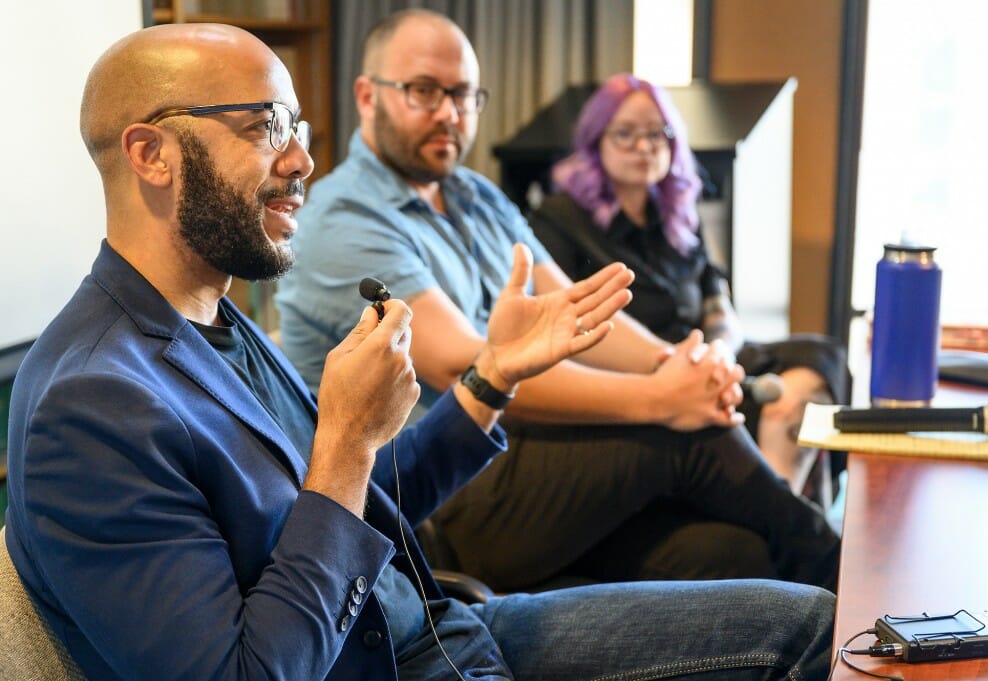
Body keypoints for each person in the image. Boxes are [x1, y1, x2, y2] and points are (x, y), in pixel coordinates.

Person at [3, 21, 837, 681]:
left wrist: (489, 379)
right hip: (400, 659)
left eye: (294, 126)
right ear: (150, 154)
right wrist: (344, 446)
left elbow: (365, 504)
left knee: (801, 617)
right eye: (265, 128)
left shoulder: (214, 317)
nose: (302, 161)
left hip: (445, 631)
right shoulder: (89, 405)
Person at [275, 8, 840, 593]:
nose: (449, 112)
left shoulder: (475, 195)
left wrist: (673, 367)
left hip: (530, 462)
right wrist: (657, 398)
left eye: (464, 95)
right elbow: (461, 365)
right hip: (437, 492)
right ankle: (847, 577)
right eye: (424, 91)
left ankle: (827, 606)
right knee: (681, 435)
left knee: (733, 553)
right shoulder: (345, 216)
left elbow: (574, 308)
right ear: (368, 96)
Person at [530, 73, 851, 495]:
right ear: (595, 142)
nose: (644, 147)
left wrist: (720, 347)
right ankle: (782, 502)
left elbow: (717, 299)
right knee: (783, 400)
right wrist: (691, 365)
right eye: (625, 134)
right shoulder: (559, 218)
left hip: (710, 354)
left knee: (818, 357)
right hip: (648, 372)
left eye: (657, 134)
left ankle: (781, 490)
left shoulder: (678, 215)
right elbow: (568, 323)